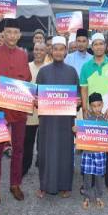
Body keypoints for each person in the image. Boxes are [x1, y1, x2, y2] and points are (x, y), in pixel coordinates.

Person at [0, 18, 32, 202]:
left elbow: (27, 79)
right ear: (3, 34)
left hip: (19, 109)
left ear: (19, 35)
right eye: (9, 32)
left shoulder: (23, 54)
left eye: (15, 32)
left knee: (18, 148)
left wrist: (29, 96)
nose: (12, 36)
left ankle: (15, 184)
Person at [80, 33, 108, 195]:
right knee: (90, 148)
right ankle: (88, 182)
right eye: (96, 44)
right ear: (92, 46)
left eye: (101, 44)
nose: (98, 46)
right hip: (91, 115)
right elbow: (83, 89)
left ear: (106, 46)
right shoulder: (86, 67)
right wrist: (85, 110)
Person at [36, 36, 79, 197]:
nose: (58, 52)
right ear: (51, 51)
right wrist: (36, 101)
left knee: (65, 151)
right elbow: (37, 95)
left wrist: (77, 102)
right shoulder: (43, 72)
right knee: (46, 152)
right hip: (47, 121)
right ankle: (44, 185)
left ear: (66, 51)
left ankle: (65, 185)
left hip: (66, 121)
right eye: (55, 49)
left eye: (62, 49)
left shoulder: (72, 71)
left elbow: (77, 98)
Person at [75, 92, 108, 209]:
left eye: (98, 105)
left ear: (102, 105)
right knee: (87, 176)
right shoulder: (87, 118)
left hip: (100, 154)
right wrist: (76, 129)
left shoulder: (105, 119)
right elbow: (81, 131)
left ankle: (99, 196)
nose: (96, 108)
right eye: (93, 106)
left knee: (99, 176)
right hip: (88, 153)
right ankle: (87, 196)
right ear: (90, 106)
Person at [22, 42, 48, 177]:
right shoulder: (26, 67)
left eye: (41, 50)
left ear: (46, 52)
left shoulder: (49, 68)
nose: (38, 52)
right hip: (29, 113)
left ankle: (43, 168)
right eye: (36, 49)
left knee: (43, 144)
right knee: (27, 143)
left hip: (45, 114)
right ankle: (24, 168)